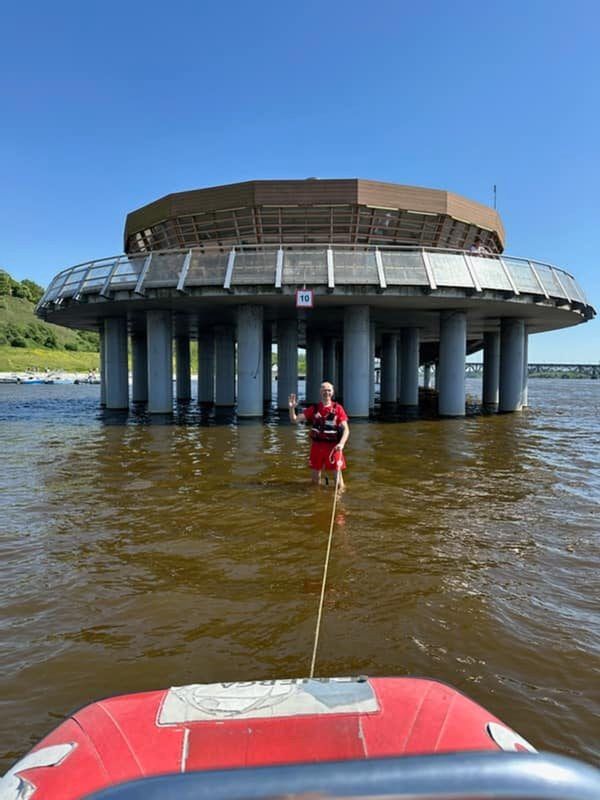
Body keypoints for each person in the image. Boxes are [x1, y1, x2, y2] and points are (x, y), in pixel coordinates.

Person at [288, 381, 350, 491]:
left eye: (329, 390)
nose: (327, 392)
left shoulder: (338, 408)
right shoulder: (314, 409)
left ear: (333, 392)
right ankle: (316, 498)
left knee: (339, 483)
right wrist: (292, 408)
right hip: (316, 447)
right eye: (324, 390)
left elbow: (346, 429)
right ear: (320, 392)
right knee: (315, 481)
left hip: (333, 448)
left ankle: (340, 502)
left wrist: (341, 444)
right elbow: (294, 420)